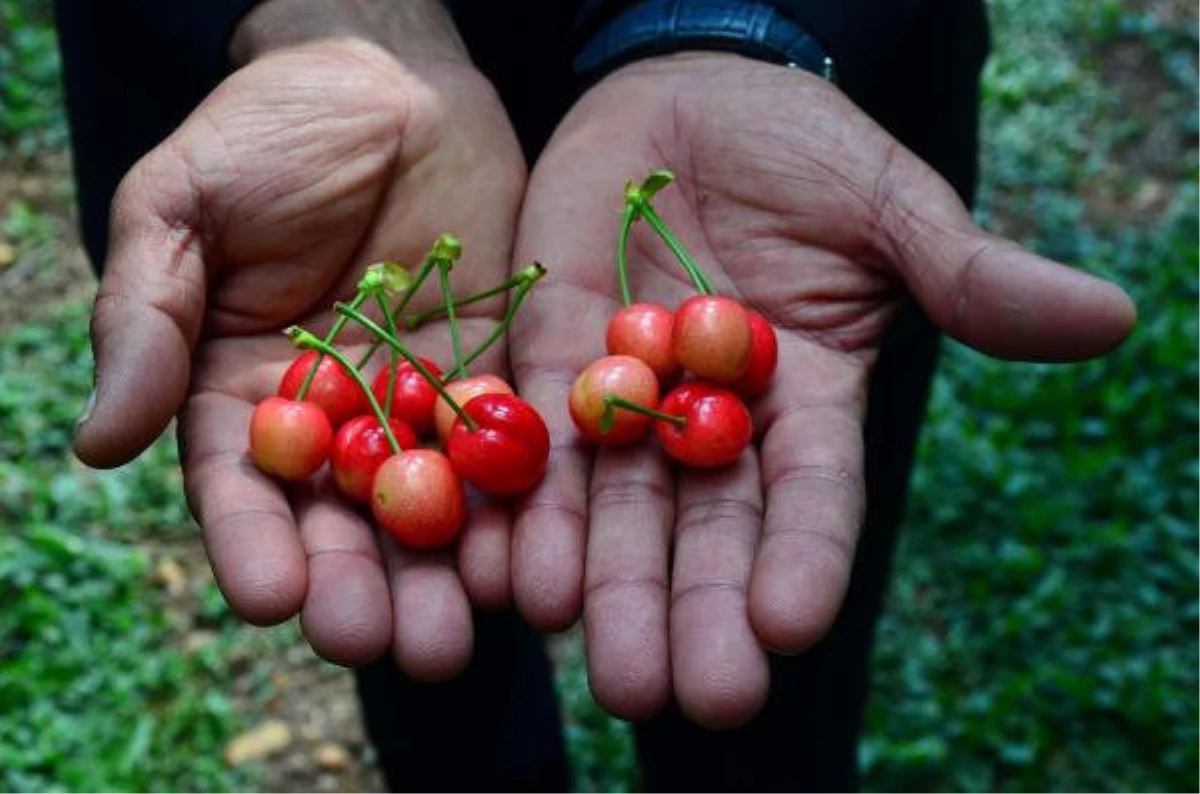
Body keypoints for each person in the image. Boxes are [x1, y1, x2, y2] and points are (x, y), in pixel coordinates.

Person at [56, 0, 1136, 790]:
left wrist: (740, 21)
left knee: (762, 616)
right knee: (425, 631)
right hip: (342, 174)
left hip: (786, 139)